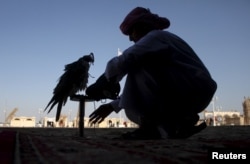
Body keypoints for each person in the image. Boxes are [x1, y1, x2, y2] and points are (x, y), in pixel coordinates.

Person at [87, 7, 217, 139]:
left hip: (192, 91)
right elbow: (137, 88)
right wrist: (111, 106)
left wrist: (104, 81)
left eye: (131, 32)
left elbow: (124, 60)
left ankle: (149, 128)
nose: (130, 39)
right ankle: (176, 125)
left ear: (142, 26)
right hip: (190, 93)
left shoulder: (156, 36)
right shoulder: (162, 40)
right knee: (131, 109)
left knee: (137, 64)